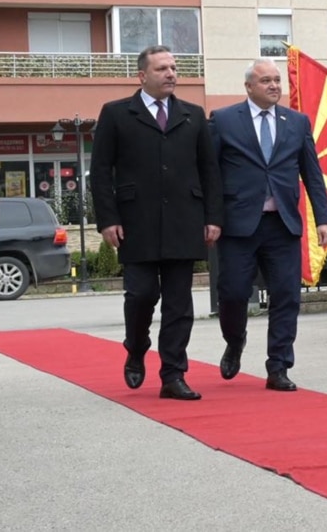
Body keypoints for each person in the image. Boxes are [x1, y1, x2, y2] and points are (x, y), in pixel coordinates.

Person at [91, 45, 223, 401]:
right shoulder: (118, 114)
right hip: (137, 222)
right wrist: (107, 219)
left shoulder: (193, 115)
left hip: (185, 220)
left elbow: (210, 171)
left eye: (174, 68)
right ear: (142, 75)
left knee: (179, 304)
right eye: (162, 68)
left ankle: (173, 374)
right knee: (140, 295)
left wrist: (213, 217)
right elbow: (101, 172)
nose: (171, 74)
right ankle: (136, 346)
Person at [211, 58, 327, 392]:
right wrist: (210, 218)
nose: (275, 86)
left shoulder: (296, 122)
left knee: (286, 295)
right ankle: (234, 341)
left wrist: (323, 218)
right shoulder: (223, 120)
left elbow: (312, 172)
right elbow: (210, 173)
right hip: (237, 226)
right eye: (266, 80)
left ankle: (278, 366)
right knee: (233, 293)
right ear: (249, 86)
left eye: (278, 80)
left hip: (282, 224)